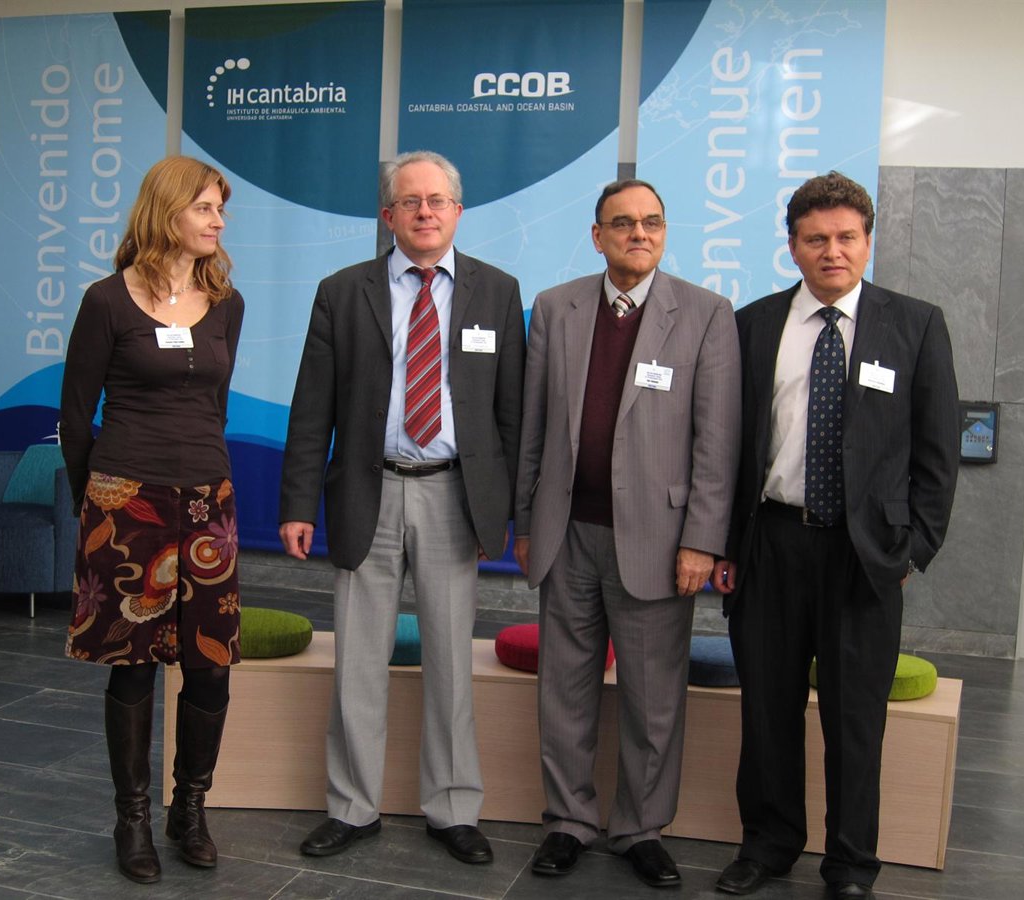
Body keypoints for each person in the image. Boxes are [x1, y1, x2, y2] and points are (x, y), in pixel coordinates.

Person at [712, 172, 960, 899]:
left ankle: (851, 864)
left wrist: (912, 549)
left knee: (856, 720)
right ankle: (767, 845)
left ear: (868, 242)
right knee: (767, 710)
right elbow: (728, 446)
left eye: (847, 237)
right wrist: (726, 545)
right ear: (792, 246)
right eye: (816, 239)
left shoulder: (915, 325)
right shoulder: (752, 325)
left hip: (865, 555)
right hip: (770, 544)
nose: (833, 252)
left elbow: (937, 453)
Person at [278, 150, 525, 865]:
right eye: (410, 201)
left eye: (437, 200)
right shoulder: (341, 291)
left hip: (455, 494)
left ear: (458, 211)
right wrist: (297, 502)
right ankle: (352, 807)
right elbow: (311, 408)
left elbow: (511, 412)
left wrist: (507, 509)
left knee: (451, 664)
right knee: (358, 661)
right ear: (388, 216)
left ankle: (453, 808)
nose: (425, 212)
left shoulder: (497, 291)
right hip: (368, 489)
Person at [514, 178, 742, 888]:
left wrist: (702, 539)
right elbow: (533, 425)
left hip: (659, 541)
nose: (638, 234)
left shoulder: (705, 314)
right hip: (566, 532)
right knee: (564, 689)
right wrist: (525, 520)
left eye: (651, 222)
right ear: (597, 236)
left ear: (664, 233)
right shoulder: (555, 308)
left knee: (653, 697)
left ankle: (641, 828)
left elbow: (717, 441)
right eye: (622, 223)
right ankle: (568, 821)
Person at [59, 156, 245, 884]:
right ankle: (131, 818)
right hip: (125, 497)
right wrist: (97, 501)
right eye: (205, 208)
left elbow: (216, 406)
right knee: (132, 665)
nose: (218, 221)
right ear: (167, 211)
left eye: (220, 209)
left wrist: (201, 470)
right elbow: (76, 415)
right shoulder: (107, 301)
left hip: (207, 502)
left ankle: (188, 809)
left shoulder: (226, 302)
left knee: (210, 664)